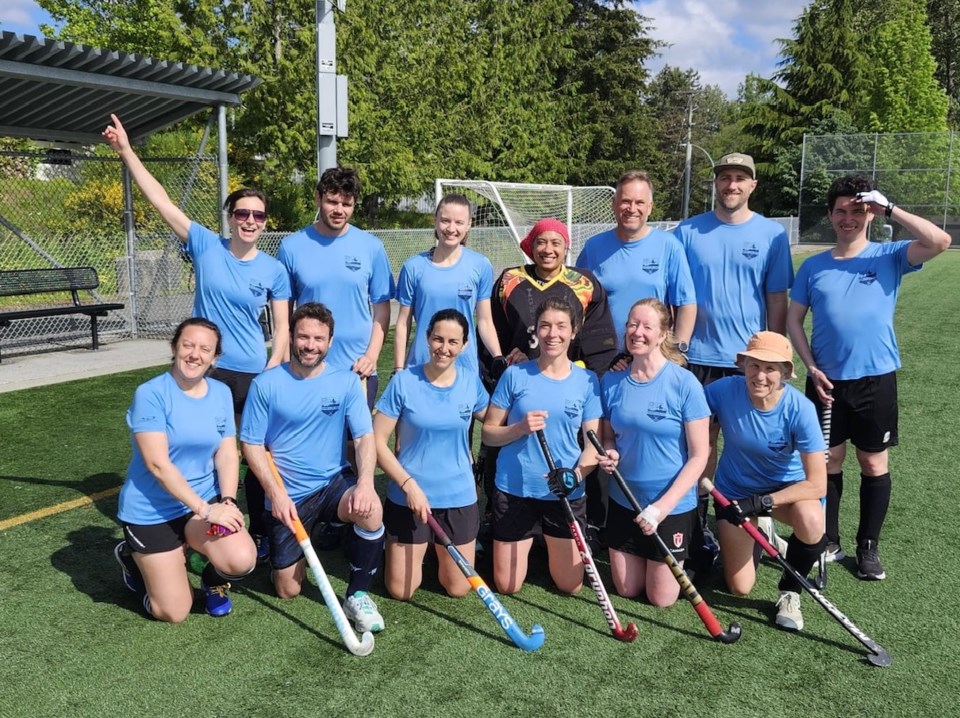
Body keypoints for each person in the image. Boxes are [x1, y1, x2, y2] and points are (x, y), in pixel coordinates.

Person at [104, 114, 291, 561]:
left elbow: (282, 327)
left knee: (257, 457)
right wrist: (127, 152)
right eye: (242, 213)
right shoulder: (207, 245)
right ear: (230, 217)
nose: (249, 220)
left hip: (255, 373)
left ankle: (258, 532)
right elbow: (162, 201)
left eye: (258, 215)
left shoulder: (273, 269)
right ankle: (195, 525)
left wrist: (272, 366)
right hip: (211, 370)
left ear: (266, 223)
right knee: (211, 453)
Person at [787, 175, 951, 580]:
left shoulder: (890, 255)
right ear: (829, 215)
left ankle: (868, 547)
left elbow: (940, 241)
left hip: (875, 380)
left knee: (873, 462)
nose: (848, 218)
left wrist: (890, 208)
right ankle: (828, 539)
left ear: (870, 214)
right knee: (828, 460)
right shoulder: (813, 267)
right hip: (825, 381)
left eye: (857, 210)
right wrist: (810, 366)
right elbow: (793, 321)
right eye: (840, 211)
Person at [673, 153, 795, 573]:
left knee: (752, 448)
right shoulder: (687, 231)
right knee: (698, 452)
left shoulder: (772, 234)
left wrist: (774, 356)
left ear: (752, 185)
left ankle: (759, 522)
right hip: (696, 361)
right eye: (725, 178)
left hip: (750, 363)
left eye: (740, 178)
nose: (732, 185)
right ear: (716, 183)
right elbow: (675, 294)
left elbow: (776, 298)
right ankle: (695, 531)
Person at [239, 302, 385, 632]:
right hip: (288, 496)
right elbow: (250, 445)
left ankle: (358, 594)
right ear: (291, 337)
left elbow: (363, 437)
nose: (310, 345)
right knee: (288, 589)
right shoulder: (267, 384)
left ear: (330, 341)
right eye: (303, 336)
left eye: (318, 338)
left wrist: (364, 484)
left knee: (371, 509)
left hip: (332, 483)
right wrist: (275, 495)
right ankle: (298, 548)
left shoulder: (346, 382)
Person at [478, 218, 618, 549]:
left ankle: (589, 522)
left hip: (566, 382)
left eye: (556, 242)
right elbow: (494, 329)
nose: (548, 249)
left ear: (566, 246)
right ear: (530, 245)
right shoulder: (509, 280)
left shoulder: (584, 283)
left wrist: (577, 372)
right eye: (541, 242)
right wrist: (499, 363)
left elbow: (599, 339)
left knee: (580, 447)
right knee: (505, 448)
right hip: (519, 385)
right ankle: (497, 518)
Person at [114, 318, 257, 622]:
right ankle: (131, 558)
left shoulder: (220, 392)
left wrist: (227, 502)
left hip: (200, 507)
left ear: (215, 357)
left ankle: (213, 582)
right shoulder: (150, 394)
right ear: (174, 348)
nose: (195, 354)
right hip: (151, 513)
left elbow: (227, 454)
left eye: (205, 349)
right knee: (174, 611)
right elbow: (157, 464)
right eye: (188, 345)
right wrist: (207, 511)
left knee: (242, 559)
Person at [705, 331, 826, 632]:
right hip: (735, 492)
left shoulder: (801, 409)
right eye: (753, 365)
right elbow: (689, 413)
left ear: (785, 372)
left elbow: (817, 484)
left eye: (770, 368)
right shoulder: (720, 391)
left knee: (812, 520)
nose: (760, 375)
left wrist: (760, 504)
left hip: (784, 492)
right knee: (739, 587)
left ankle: (790, 593)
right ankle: (762, 533)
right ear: (743, 366)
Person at [482, 298, 602, 595]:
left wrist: (574, 477)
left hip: (563, 491)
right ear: (536, 330)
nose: (553, 334)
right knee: (507, 586)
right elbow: (488, 434)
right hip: (515, 489)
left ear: (574, 331)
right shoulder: (515, 375)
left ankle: (544, 543)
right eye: (546, 326)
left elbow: (593, 446)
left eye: (562, 326)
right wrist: (519, 428)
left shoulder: (587, 381)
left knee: (570, 585)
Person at [596, 298, 709, 606]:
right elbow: (607, 436)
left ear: (662, 334)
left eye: (647, 326)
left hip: (669, 506)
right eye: (632, 324)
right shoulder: (612, 381)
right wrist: (611, 452)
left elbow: (700, 455)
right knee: (627, 589)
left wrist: (660, 509)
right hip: (625, 501)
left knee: (661, 599)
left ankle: (698, 551)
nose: (637, 332)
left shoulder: (684, 384)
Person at [374, 309, 490, 600]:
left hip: (458, 495)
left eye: (453, 342)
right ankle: (409, 547)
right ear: (427, 338)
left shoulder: (470, 382)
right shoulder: (404, 382)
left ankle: (432, 549)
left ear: (464, 345)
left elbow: (495, 422)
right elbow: (376, 442)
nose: (444, 348)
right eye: (438, 339)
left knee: (458, 588)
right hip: (410, 496)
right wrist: (408, 485)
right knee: (401, 590)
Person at [277, 167, 395, 408]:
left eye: (347, 204)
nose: (339, 210)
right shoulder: (291, 247)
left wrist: (371, 357)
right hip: (307, 366)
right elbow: (283, 316)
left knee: (356, 444)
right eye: (332, 202)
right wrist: (287, 359)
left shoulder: (372, 247)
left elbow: (382, 310)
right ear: (318, 198)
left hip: (357, 369)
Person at [576, 170, 696, 351]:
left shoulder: (669, 246)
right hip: (605, 357)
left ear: (650, 207)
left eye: (639, 202)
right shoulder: (593, 247)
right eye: (625, 201)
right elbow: (576, 300)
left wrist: (679, 350)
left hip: (651, 356)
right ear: (614, 204)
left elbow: (686, 303)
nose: (632, 209)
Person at [394, 194, 503, 376]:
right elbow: (403, 324)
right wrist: (397, 369)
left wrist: (498, 357)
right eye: (445, 220)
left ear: (469, 225)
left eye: (459, 222)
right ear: (435, 221)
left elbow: (484, 321)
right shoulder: (413, 267)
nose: (451, 228)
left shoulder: (480, 266)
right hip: (420, 368)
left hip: (463, 369)